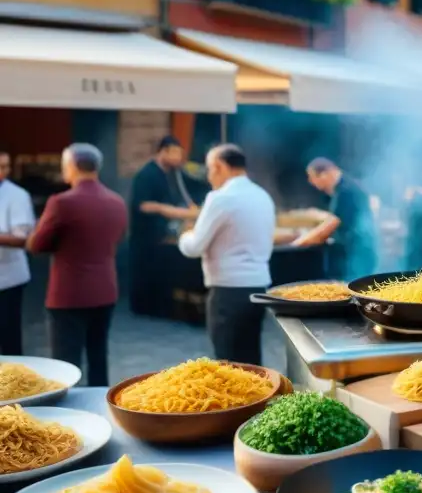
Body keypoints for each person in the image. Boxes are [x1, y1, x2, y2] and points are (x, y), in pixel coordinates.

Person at [26, 144, 127, 386]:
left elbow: (37, 244)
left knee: (65, 363)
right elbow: (119, 238)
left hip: (69, 293)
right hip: (105, 289)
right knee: (98, 357)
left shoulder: (61, 202)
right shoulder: (116, 201)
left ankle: (67, 415)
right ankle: (101, 410)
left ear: (70, 167)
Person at [179, 145, 275, 365]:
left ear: (220, 166)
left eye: (210, 170)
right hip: (258, 288)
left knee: (227, 363)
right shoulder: (263, 196)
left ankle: (238, 402)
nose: (209, 177)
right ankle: (259, 399)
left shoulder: (220, 198)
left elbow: (194, 247)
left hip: (227, 291)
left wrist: (185, 235)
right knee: (251, 360)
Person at [128, 136, 198, 316]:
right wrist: (168, 210)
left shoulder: (172, 174)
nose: (178, 158)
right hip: (146, 233)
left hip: (163, 232)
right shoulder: (147, 174)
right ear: (163, 151)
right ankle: (144, 309)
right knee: (145, 271)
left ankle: (160, 306)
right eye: (175, 153)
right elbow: (143, 204)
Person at [298, 158, 378, 281]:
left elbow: (328, 228)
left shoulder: (346, 190)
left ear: (324, 174)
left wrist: (296, 244)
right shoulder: (343, 187)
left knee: (356, 293)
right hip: (355, 254)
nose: (310, 181)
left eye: (312, 177)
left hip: (357, 255)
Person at [0, 149, 35, 355]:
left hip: (8, 278)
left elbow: (24, 239)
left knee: (9, 338)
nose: (4, 171)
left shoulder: (18, 195)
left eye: (5, 166)